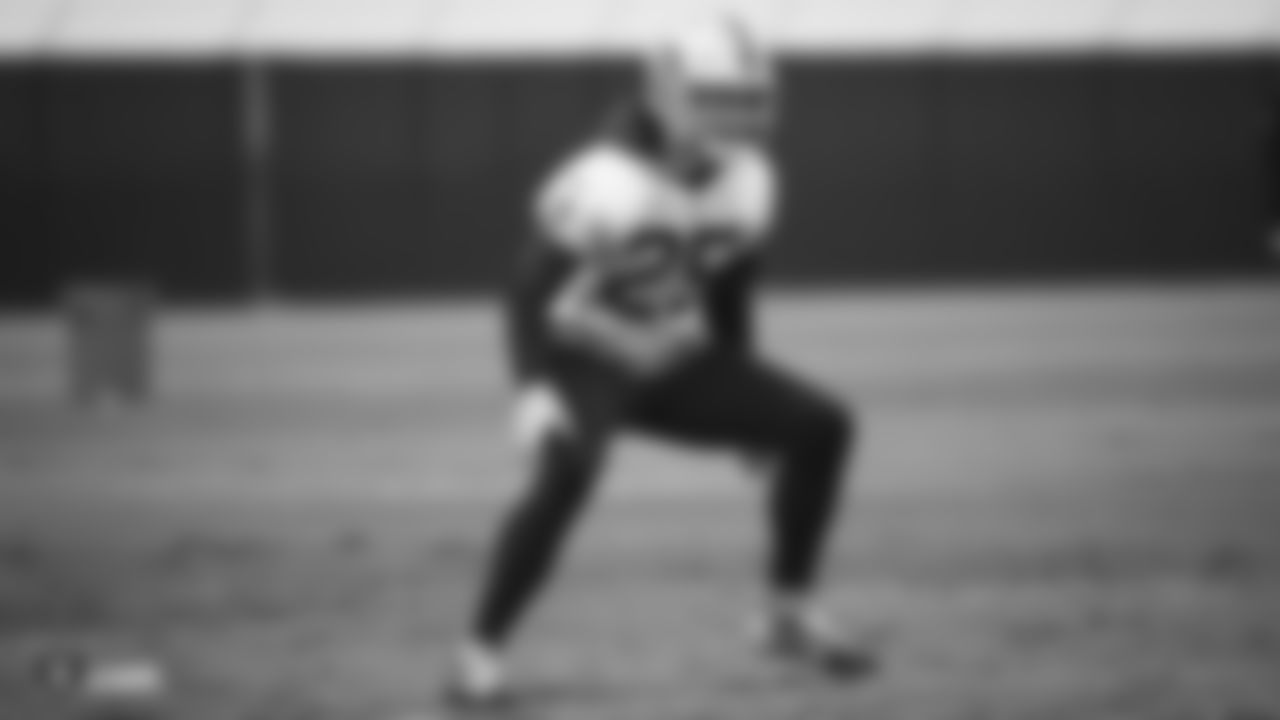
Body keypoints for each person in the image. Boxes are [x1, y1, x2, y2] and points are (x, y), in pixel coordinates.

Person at [447, 16, 870, 707]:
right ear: (666, 94)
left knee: (823, 426)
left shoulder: (752, 180)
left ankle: (787, 614)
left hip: (667, 355)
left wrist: (746, 408)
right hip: (581, 353)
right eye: (719, 98)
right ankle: (477, 657)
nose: (737, 118)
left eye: (749, 101)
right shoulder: (607, 178)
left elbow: (729, 295)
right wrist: (531, 389)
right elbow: (528, 289)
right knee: (569, 471)